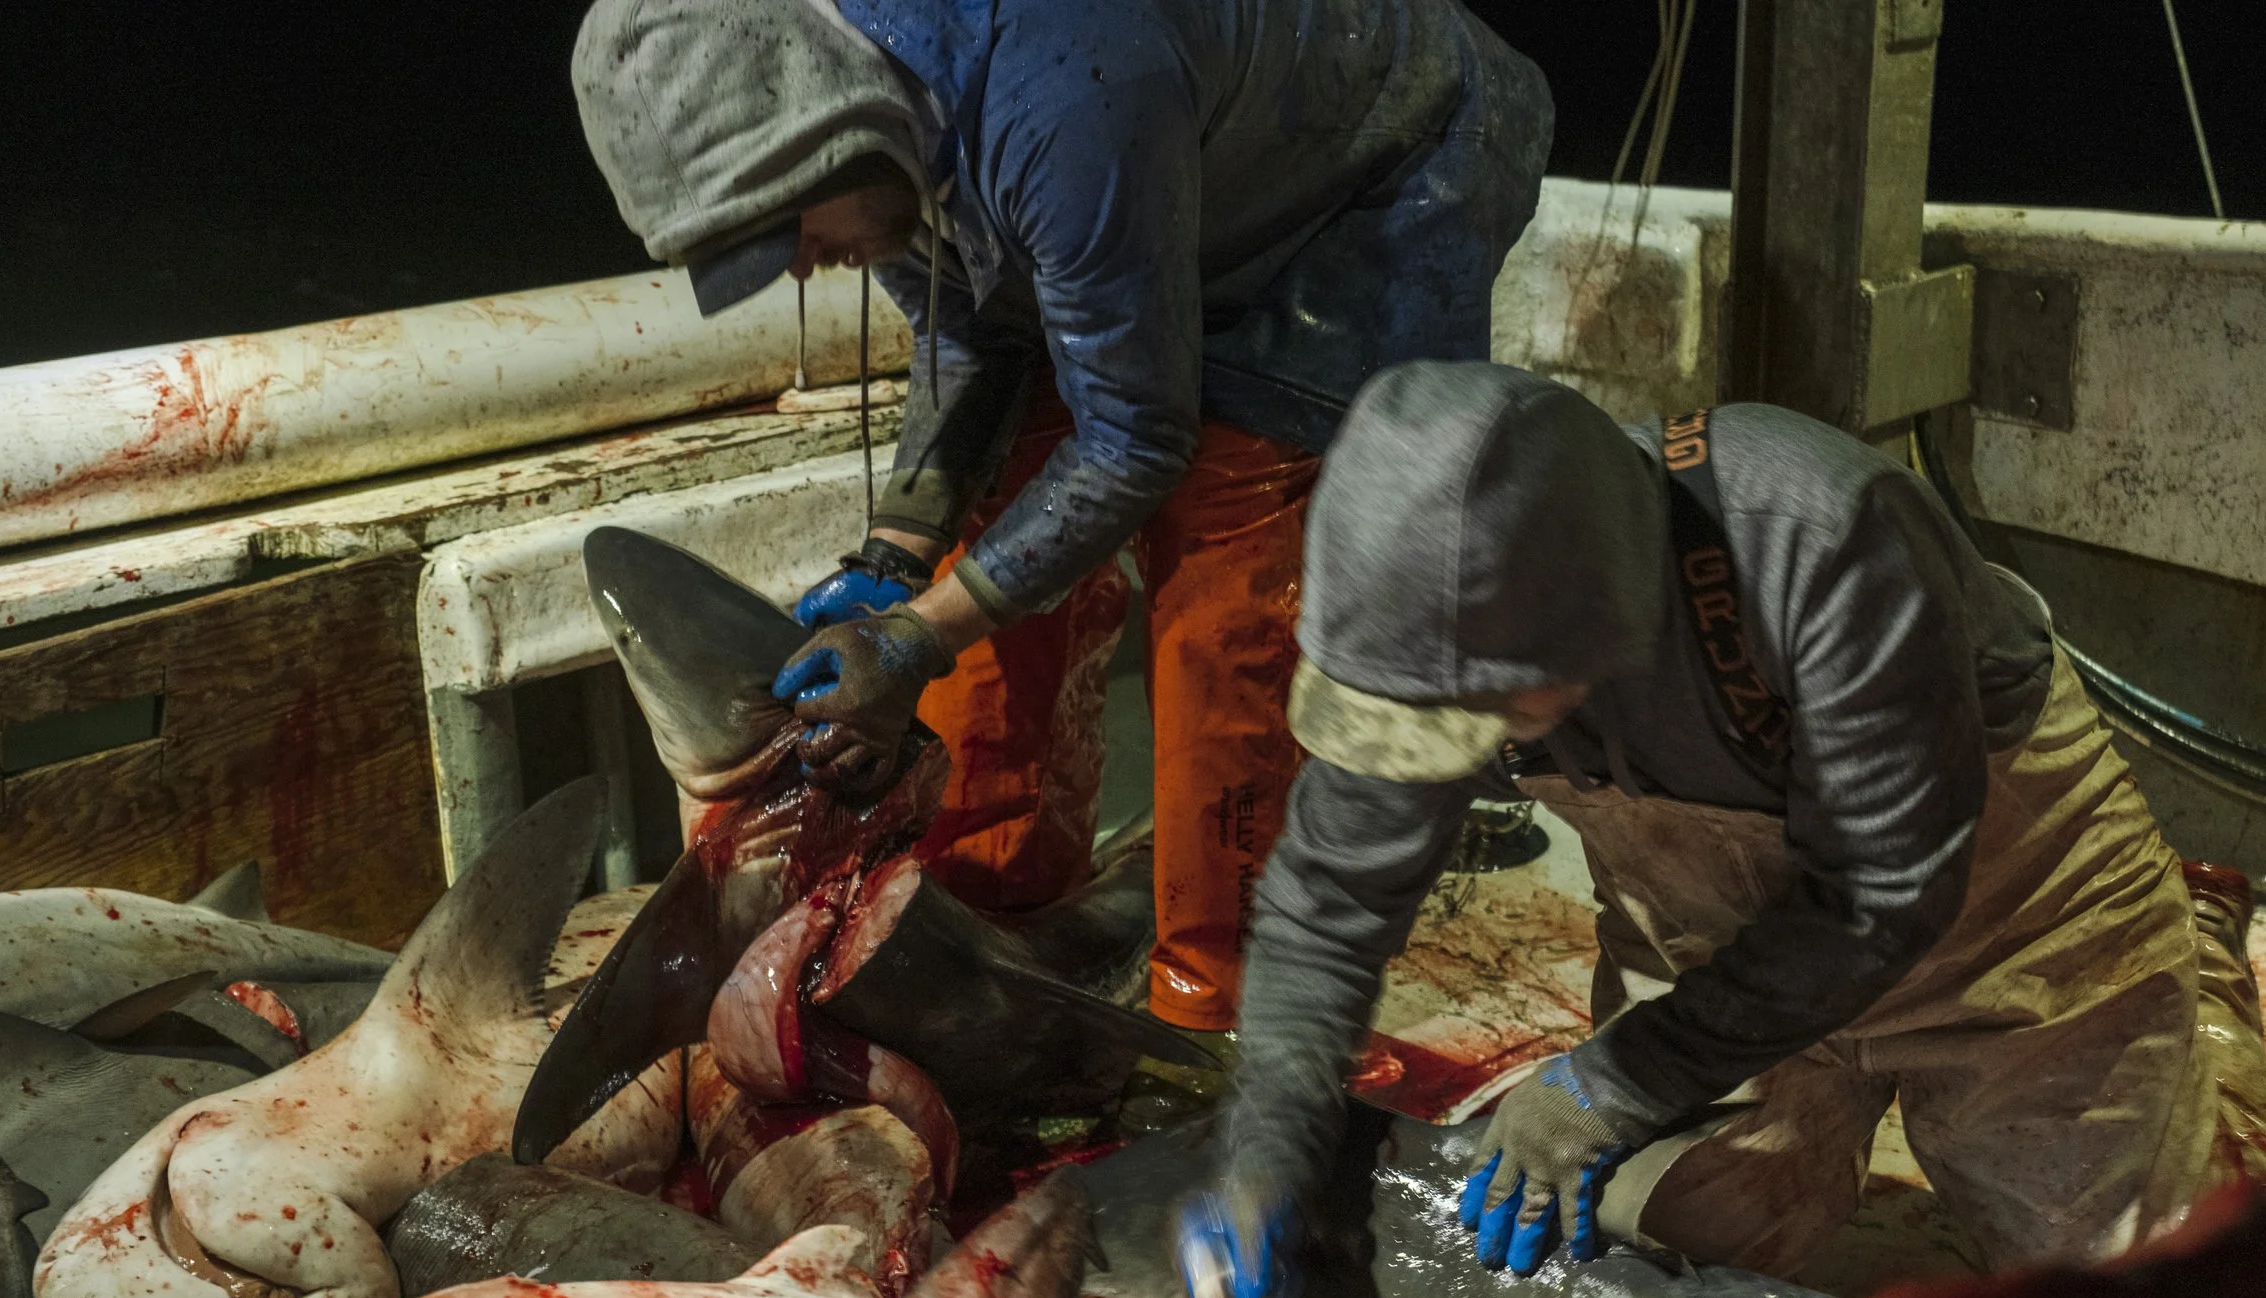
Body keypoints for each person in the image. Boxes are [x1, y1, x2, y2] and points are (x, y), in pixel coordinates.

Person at [1176, 360, 2266, 1298]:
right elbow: (1329, 900)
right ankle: (1806, 1098)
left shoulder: (1823, 531)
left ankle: (2194, 964)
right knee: (1651, 1223)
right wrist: (1267, 1142)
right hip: (1726, 937)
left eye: (1481, 715)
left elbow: (1885, 891)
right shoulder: (1429, 589)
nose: (1444, 755)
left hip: (1993, 900)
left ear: (1602, 621)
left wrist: (1612, 1079)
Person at [571, 0, 1553, 1044]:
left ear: (831, 139)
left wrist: (917, 637)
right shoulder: (877, 132)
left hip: (1377, 169)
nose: (802, 266)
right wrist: (894, 556)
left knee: (1227, 558)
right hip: (1164, 166)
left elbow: (1137, 441)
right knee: (996, 508)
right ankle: (994, 919)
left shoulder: (1062, 94)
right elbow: (974, 337)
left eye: (791, 233)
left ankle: (1223, 1012)